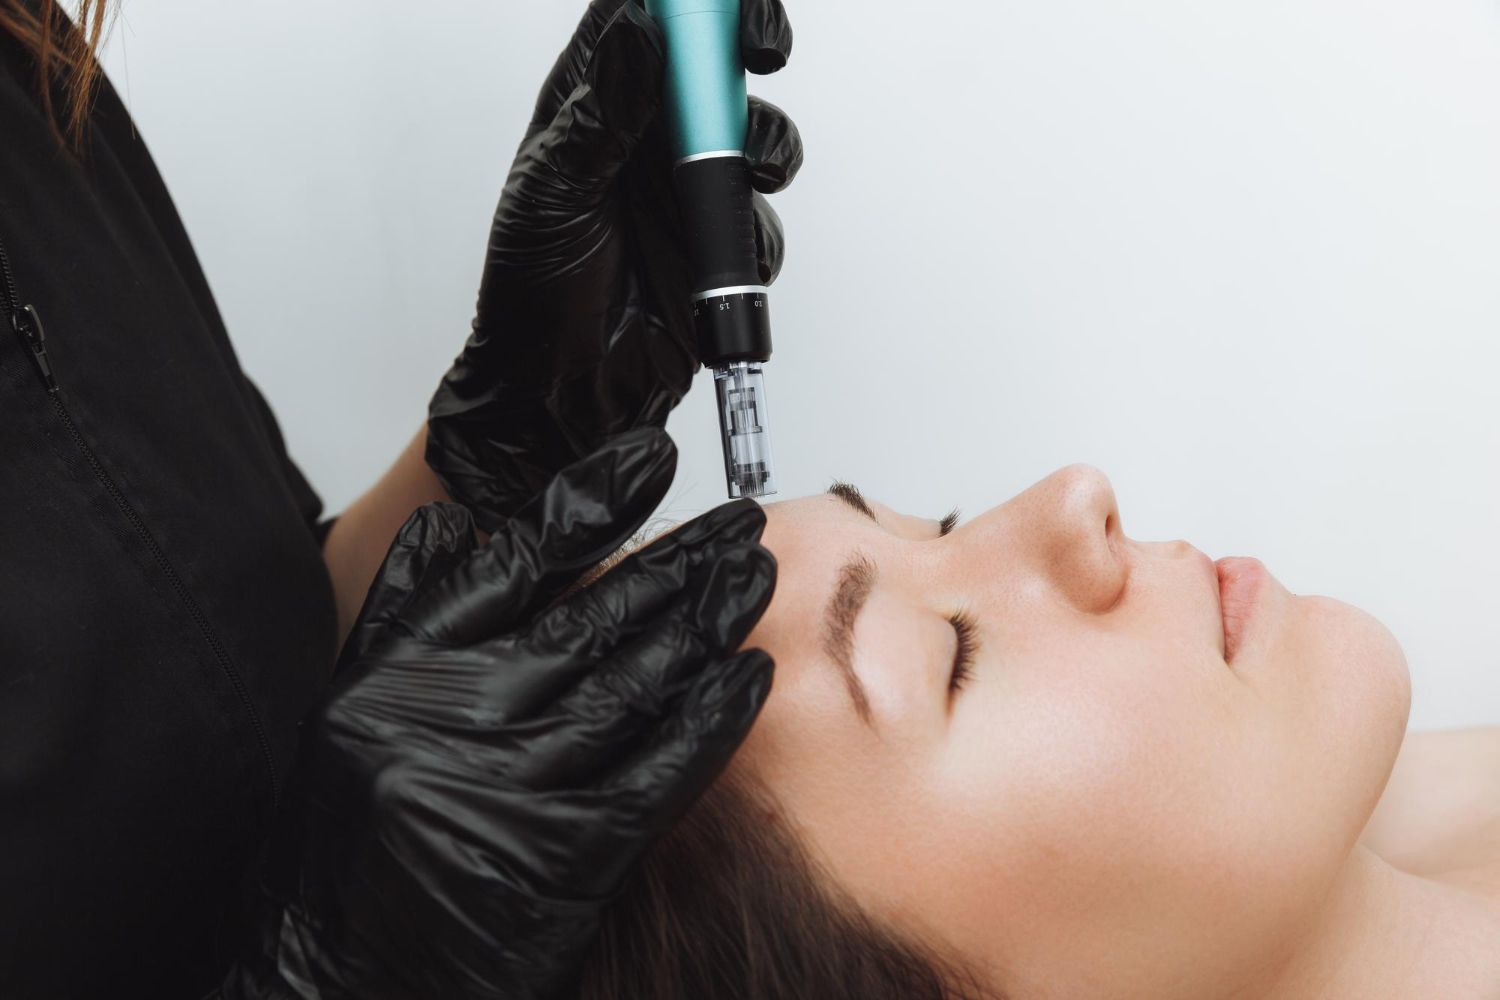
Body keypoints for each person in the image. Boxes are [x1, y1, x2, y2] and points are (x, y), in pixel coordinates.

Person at [0, 0, 800, 996]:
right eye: (951, 655)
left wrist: (494, 452)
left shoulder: (27, 63)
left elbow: (238, 662)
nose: (1063, 497)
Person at [574, 469, 1500, 999]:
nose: (1073, 497)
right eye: (953, 656)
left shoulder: (1405, 821)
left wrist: (451, 469)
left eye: (938, 527)